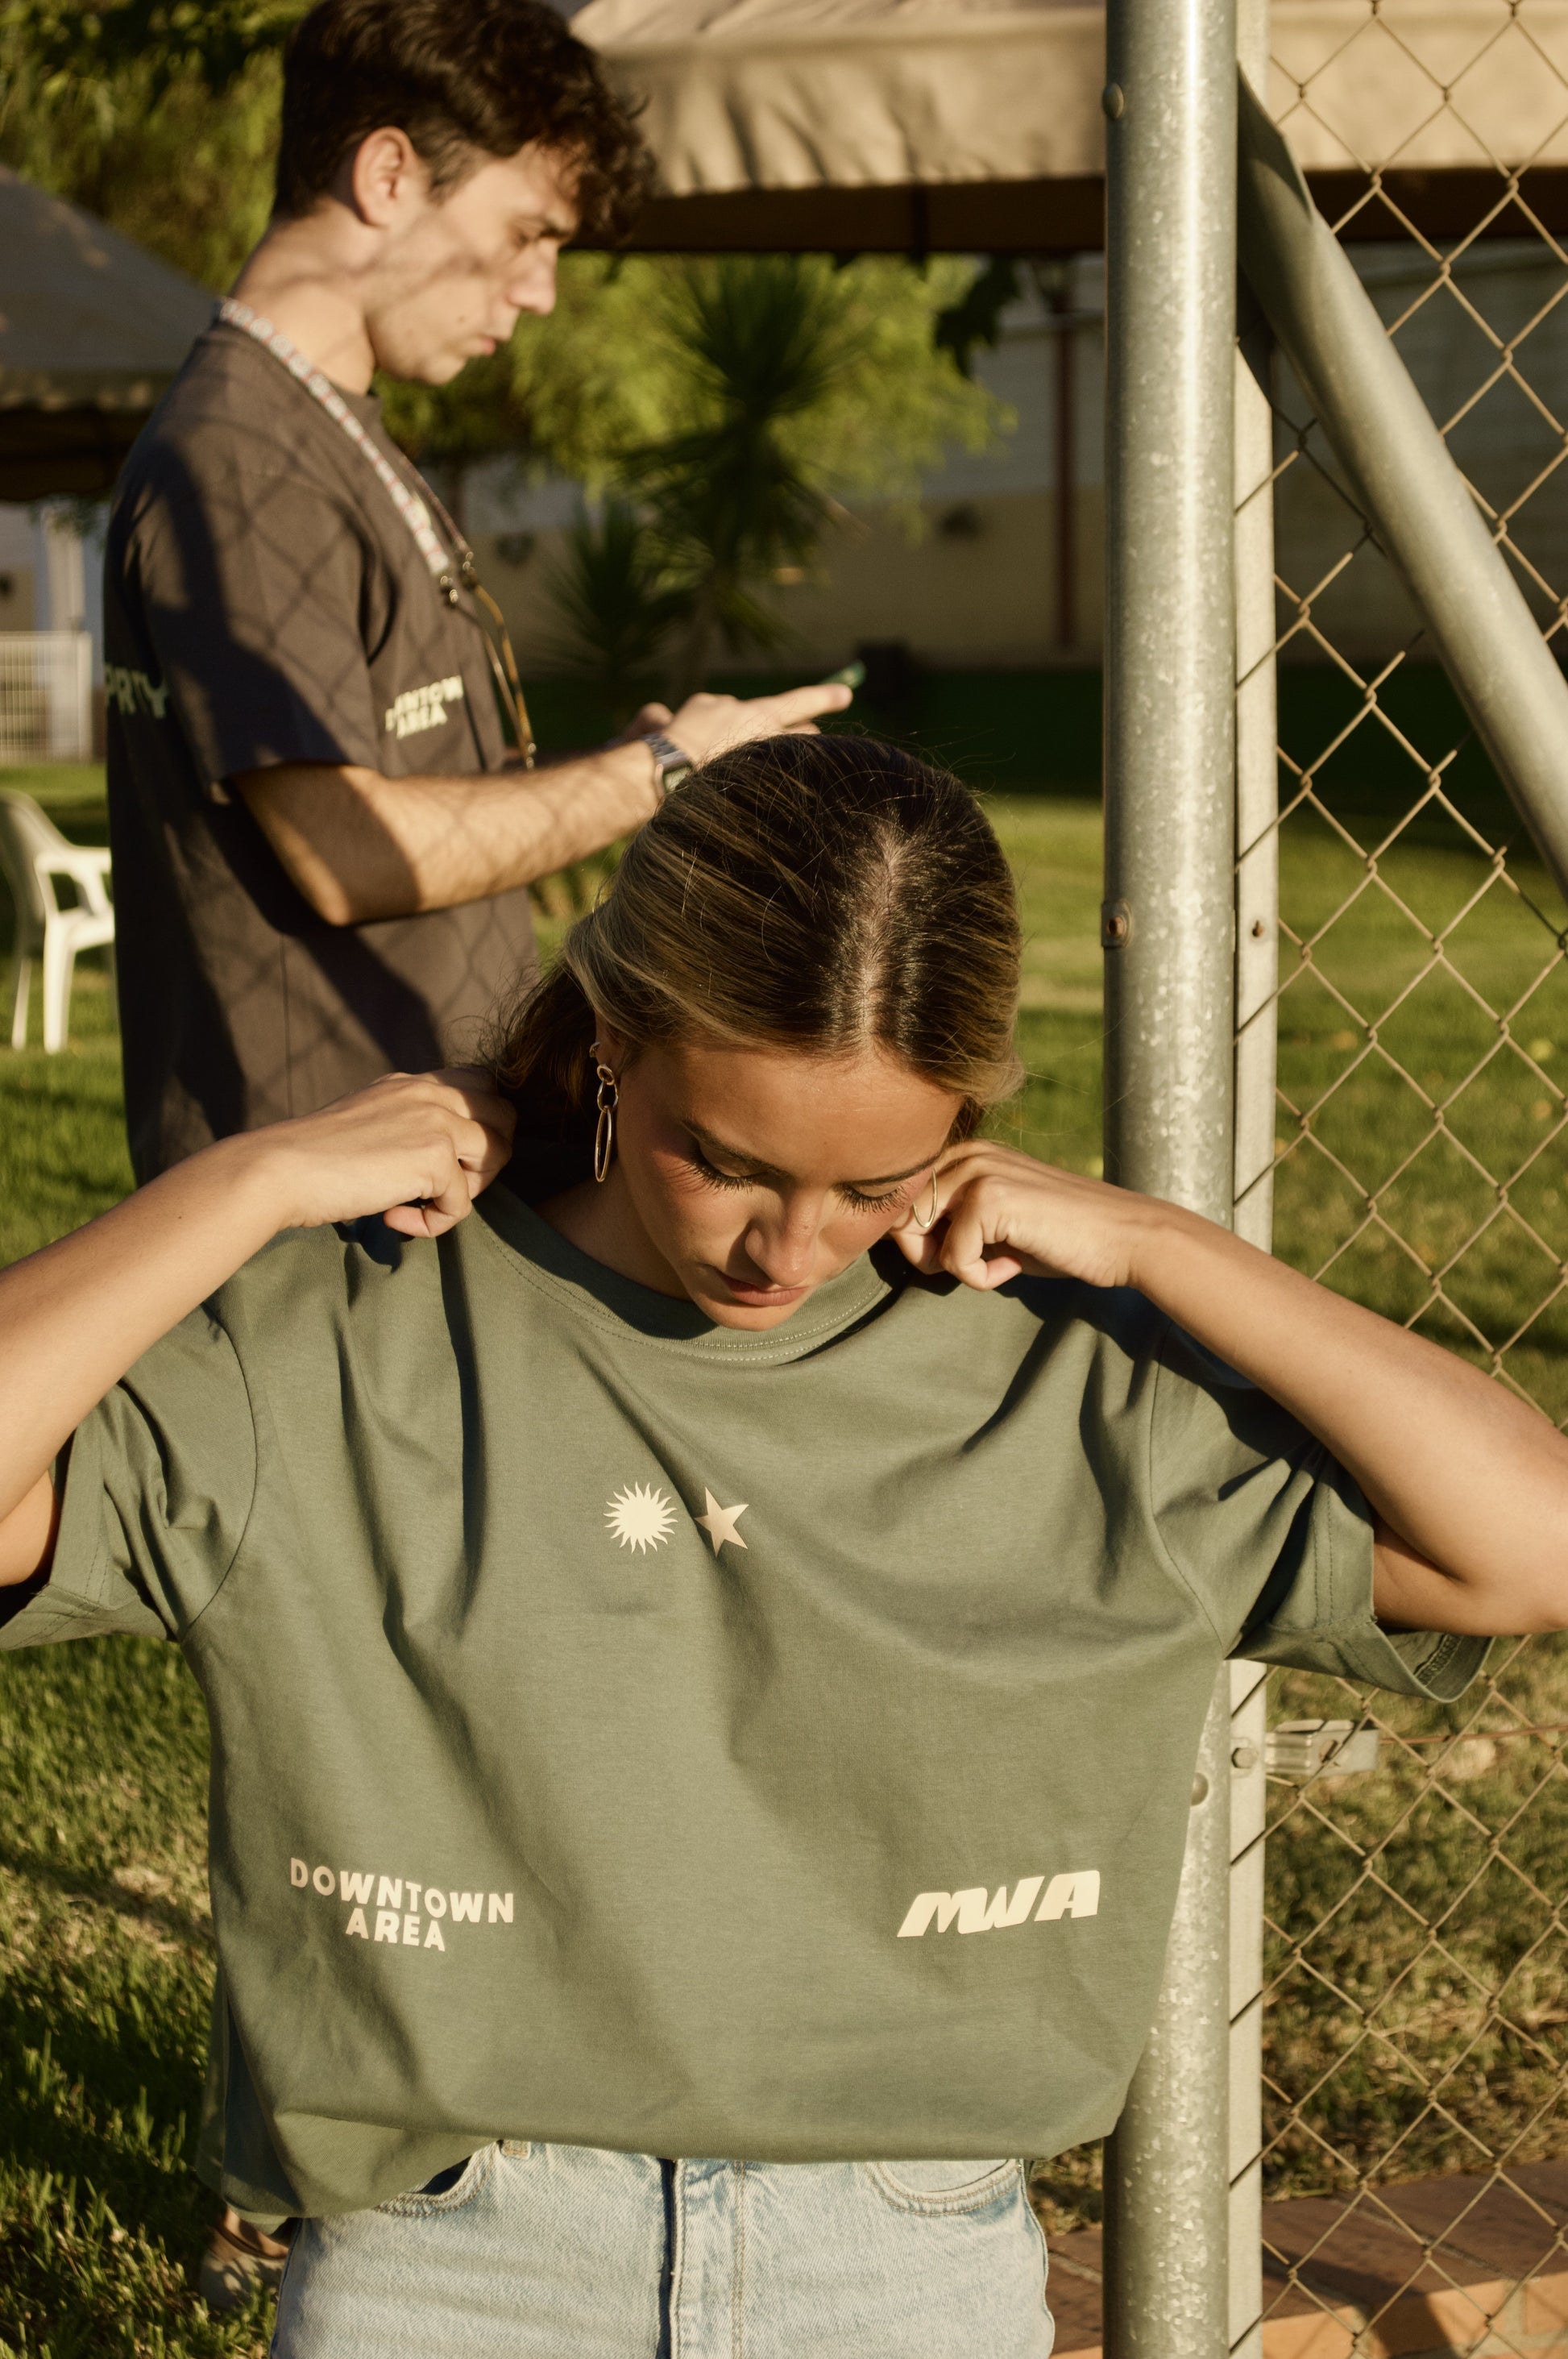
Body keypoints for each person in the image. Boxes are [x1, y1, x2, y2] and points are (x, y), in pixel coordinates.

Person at [0, 737, 1562, 2356]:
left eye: (867, 1184)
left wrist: (1163, 1246)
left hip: (904, 2264)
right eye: (725, 1163)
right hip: (452, 2268)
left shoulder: (1068, 1375)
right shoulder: (353, 1337)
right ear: (611, 1048)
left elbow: (1529, 1547)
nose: (784, 1246)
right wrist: (245, 1186)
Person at [104, 0, 850, 1184]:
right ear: (389, 174)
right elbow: (352, 853)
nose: (540, 291)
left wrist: (630, 768)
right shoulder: (243, 460)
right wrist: (658, 775)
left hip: (408, 1175)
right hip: (324, 1216)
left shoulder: (321, 431)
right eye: (524, 232)